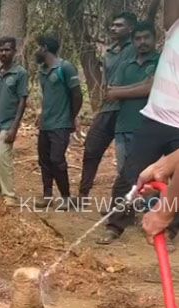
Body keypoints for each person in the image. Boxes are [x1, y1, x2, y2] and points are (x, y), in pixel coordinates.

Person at [100, 0, 179, 246]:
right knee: (130, 176)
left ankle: (170, 227)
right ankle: (115, 225)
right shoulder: (175, 26)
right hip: (155, 118)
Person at [77, 12, 138, 198]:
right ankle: (82, 194)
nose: (113, 28)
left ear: (131, 29)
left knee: (126, 159)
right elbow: (106, 80)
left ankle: (120, 203)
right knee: (91, 148)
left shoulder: (136, 47)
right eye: (112, 25)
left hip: (127, 109)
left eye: (119, 25)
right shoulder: (109, 52)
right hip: (108, 108)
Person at [34, 35, 83, 208]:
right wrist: (41, 115)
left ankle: (66, 197)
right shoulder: (42, 71)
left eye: (38, 47)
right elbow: (46, 97)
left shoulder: (66, 68)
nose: (36, 51)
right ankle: (47, 196)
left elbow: (77, 95)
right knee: (44, 160)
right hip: (46, 124)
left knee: (57, 159)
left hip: (61, 124)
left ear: (45, 48)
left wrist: (71, 117)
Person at [106, 22, 160, 174]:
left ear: (155, 39)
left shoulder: (161, 61)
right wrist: (144, 85)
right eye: (138, 38)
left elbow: (151, 89)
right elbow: (110, 93)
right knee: (124, 176)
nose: (142, 42)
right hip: (123, 128)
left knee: (148, 177)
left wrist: (121, 91)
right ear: (133, 41)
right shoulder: (125, 65)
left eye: (146, 37)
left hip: (150, 129)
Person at [0, 36, 28, 206]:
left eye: (7, 50)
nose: (4, 53)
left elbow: (22, 101)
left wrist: (14, 127)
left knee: (5, 158)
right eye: (1, 50)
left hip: (8, 123)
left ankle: (9, 195)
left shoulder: (20, 73)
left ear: (14, 51)